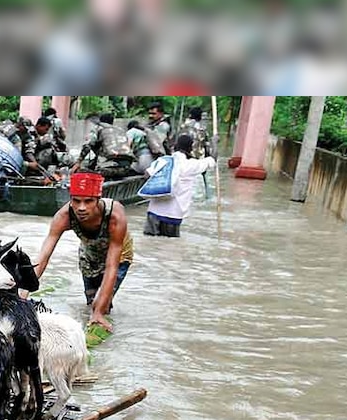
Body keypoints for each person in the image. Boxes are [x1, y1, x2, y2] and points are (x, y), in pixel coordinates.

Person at [33, 172, 134, 333]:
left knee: (102, 306)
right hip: (89, 253)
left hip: (119, 256)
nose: (81, 208)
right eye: (76, 201)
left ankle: (103, 321)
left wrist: (99, 311)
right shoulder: (64, 216)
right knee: (91, 302)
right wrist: (23, 289)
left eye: (88, 201)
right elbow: (44, 256)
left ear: (98, 200)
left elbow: (111, 266)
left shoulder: (115, 215)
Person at [142, 133, 217, 237]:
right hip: (173, 215)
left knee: (150, 244)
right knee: (170, 247)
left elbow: (146, 175)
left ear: (175, 146)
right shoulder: (191, 165)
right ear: (190, 148)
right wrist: (214, 143)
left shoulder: (163, 160)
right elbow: (212, 160)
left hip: (153, 212)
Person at [74, 112, 137, 178]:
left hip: (107, 168)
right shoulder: (120, 130)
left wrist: (78, 162)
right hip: (126, 168)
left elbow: (87, 146)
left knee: (81, 171)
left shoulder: (98, 128)